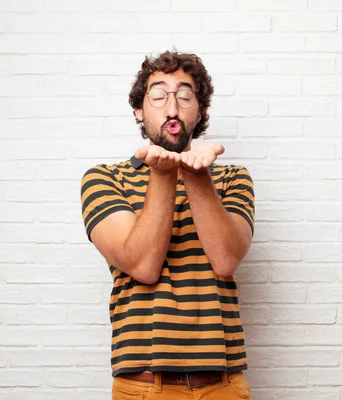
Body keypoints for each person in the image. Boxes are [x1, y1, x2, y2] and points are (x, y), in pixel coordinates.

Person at [80, 50, 255, 400]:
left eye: (185, 96)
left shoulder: (232, 178)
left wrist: (196, 176)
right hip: (145, 388)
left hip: (224, 386)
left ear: (200, 111)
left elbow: (225, 260)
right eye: (158, 96)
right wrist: (162, 175)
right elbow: (143, 265)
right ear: (139, 111)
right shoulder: (104, 179)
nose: (172, 108)